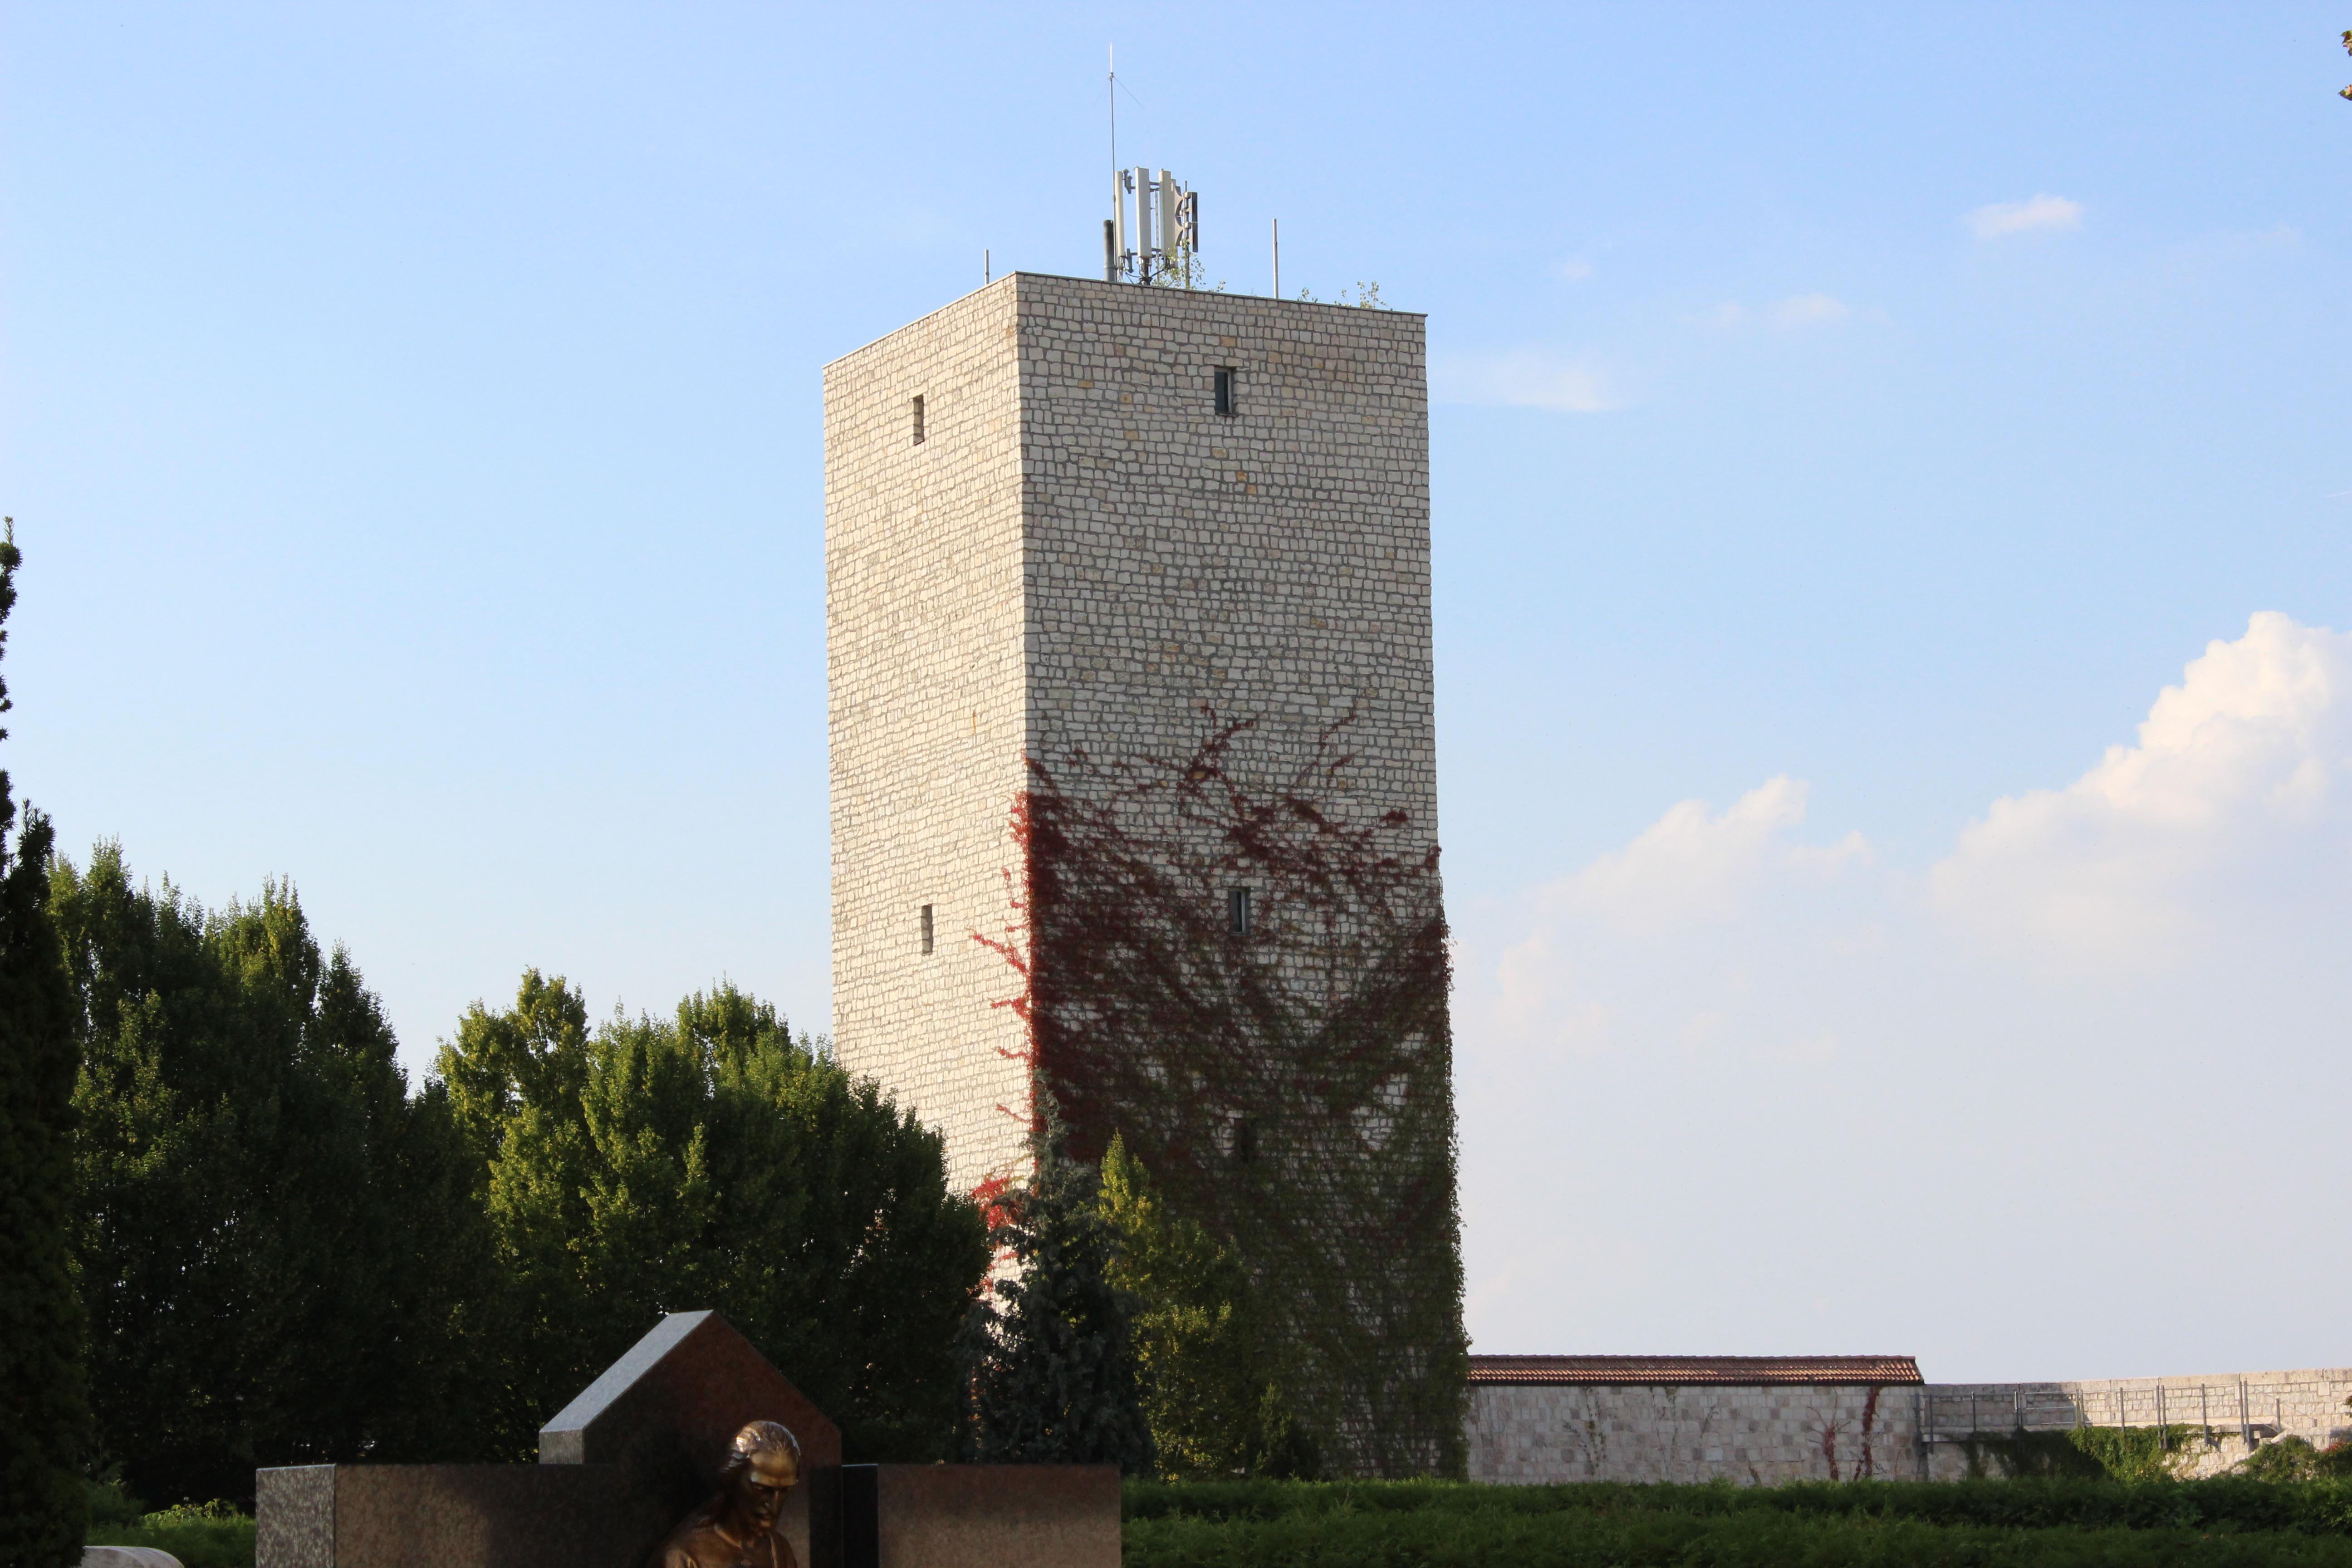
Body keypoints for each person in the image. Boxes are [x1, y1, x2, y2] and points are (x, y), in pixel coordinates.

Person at [654, 1420, 802, 1568]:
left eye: (784, 1491)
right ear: (732, 1481)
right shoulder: (683, 1557)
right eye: (761, 1488)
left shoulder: (779, 1550)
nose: (774, 1506)